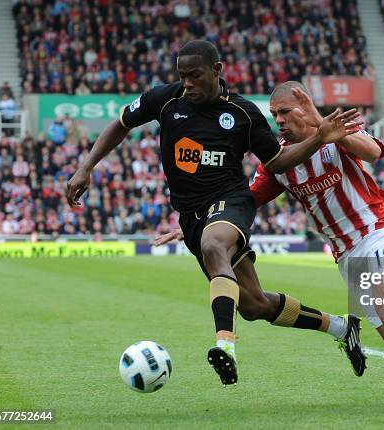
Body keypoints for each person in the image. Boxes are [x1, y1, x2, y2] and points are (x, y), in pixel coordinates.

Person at [159, 81, 384, 414]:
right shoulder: (279, 160)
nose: (280, 120)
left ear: (305, 107)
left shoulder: (337, 130)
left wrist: (322, 124)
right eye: (275, 115)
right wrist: (200, 222)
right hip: (347, 255)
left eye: (286, 112)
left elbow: (374, 152)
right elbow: (246, 200)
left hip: (382, 229)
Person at [65, 40, 362, 386]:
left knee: (214, 245)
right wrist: (86, 167)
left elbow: (277, 162)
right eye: (182, 75)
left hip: (230, 200)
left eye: (195, 75)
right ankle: (341, 326)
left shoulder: (243, 113)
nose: (187, 82)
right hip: (191, 215)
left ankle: (225, 345)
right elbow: (120, 123)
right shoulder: (165, 99)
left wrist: (319, 139)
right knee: (253, 306)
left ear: (217, 71)